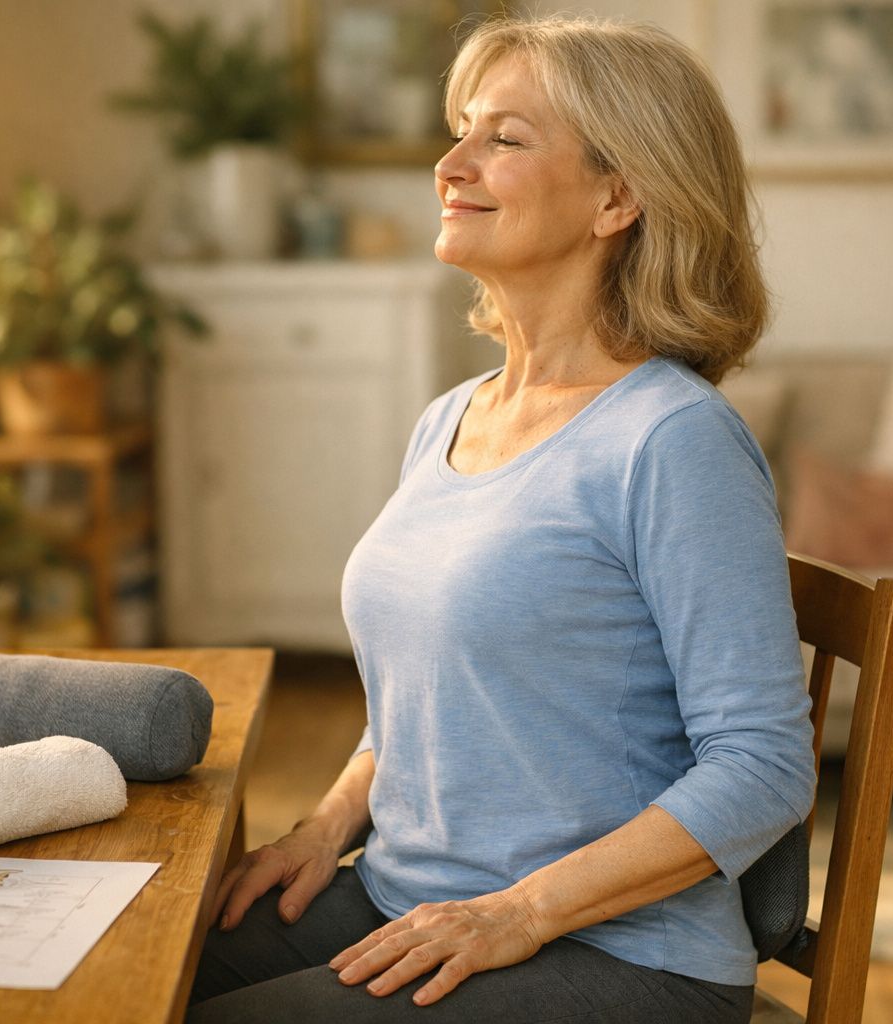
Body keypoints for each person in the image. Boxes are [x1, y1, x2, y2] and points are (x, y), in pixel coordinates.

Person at [187, 15, 815, 1023]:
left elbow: (765, 767)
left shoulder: (674, 440)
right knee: (123, 979)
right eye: (461, 131)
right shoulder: (452, 415)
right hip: (405, 892)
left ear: (619, 195)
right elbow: (429, 693)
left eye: (503, 140)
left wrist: (516, 914)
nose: (450, 165)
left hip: (625, 956)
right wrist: (326, 822)